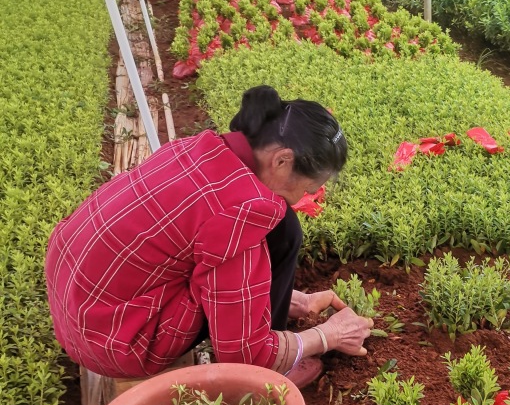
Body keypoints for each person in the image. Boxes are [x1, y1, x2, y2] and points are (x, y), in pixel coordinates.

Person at [45, 87, 373, 389]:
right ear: (282, 160)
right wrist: (328, 335)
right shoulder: (239, 213)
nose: (308, 196)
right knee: (281, 228)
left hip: (75, 302)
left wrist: (295, 301)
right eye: (309, 187)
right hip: (116, 341)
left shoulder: (203, 148)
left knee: (283, 227)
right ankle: (273, 374)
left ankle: (270, 324)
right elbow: (244, 354)